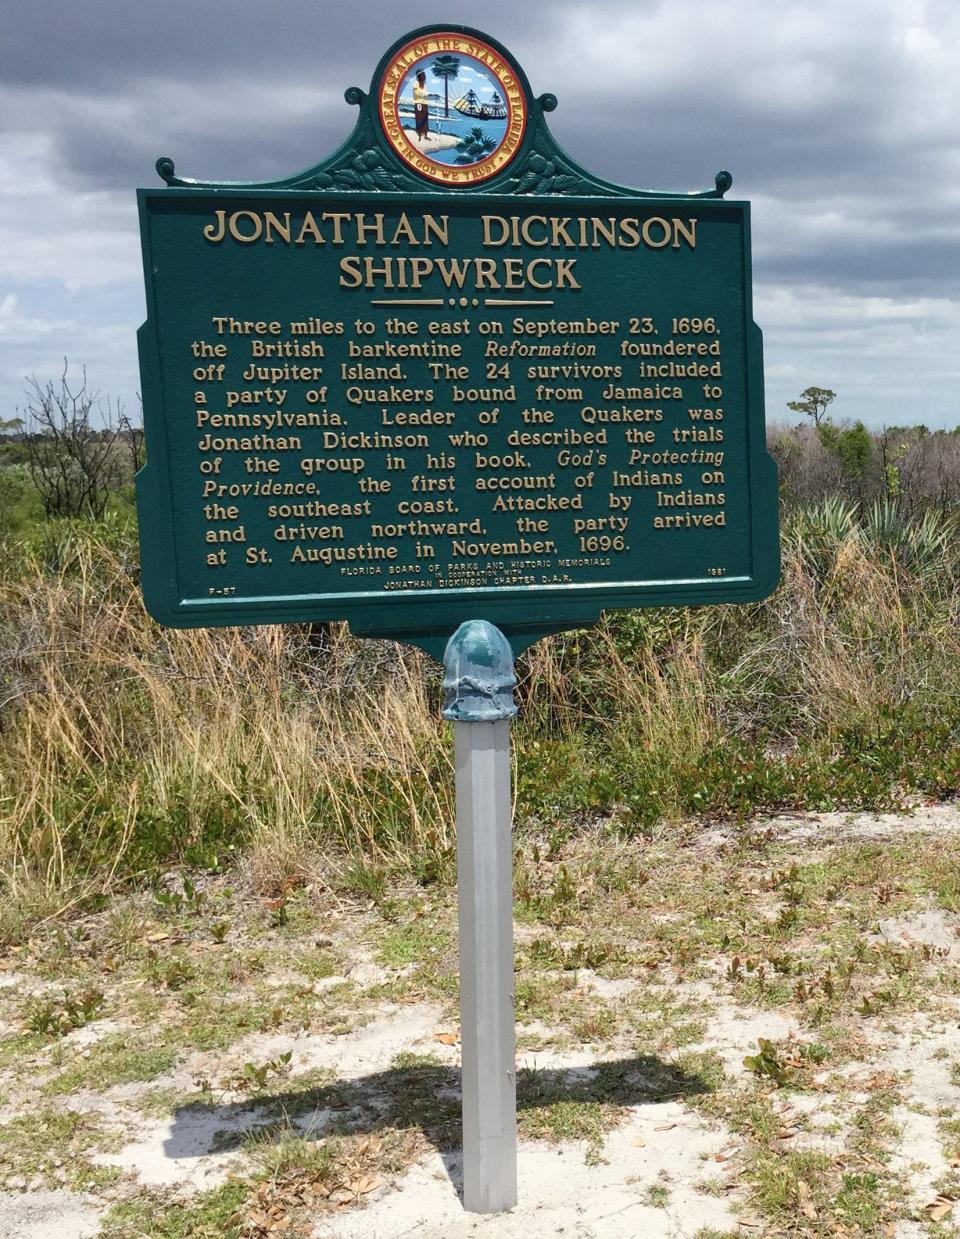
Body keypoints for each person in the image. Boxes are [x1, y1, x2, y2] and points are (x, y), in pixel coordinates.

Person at [413, 70, 429, 142]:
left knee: (425, 119)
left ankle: (425, 135)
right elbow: (418, 93)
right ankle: (419, 135)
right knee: (419, 119)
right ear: (419, 76)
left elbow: (425, 94)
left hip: (425, 104)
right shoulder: (416, 84)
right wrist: (426, 94)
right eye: (423, 75)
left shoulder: (425, 85)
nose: (425, 77)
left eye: (425, 75)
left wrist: (427, 94)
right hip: (418, 104)